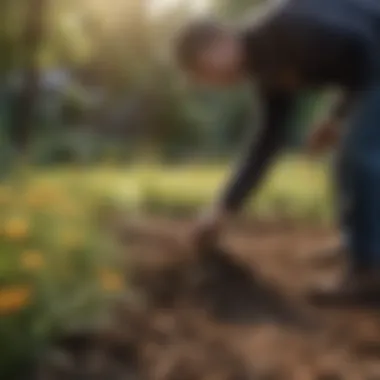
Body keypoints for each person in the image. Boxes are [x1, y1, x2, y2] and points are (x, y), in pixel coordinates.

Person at [174, 0, 380, 302]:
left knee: (357, 152)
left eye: (204, 72)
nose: (212, 83)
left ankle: (370, 270)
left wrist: (339, 116)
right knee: (345, 157)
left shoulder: (283, 30)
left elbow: (363, 48)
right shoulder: (268, 71)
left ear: (220, 44)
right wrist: (223, 208)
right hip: (371, 62)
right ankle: (360, 244)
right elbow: (267, 143)